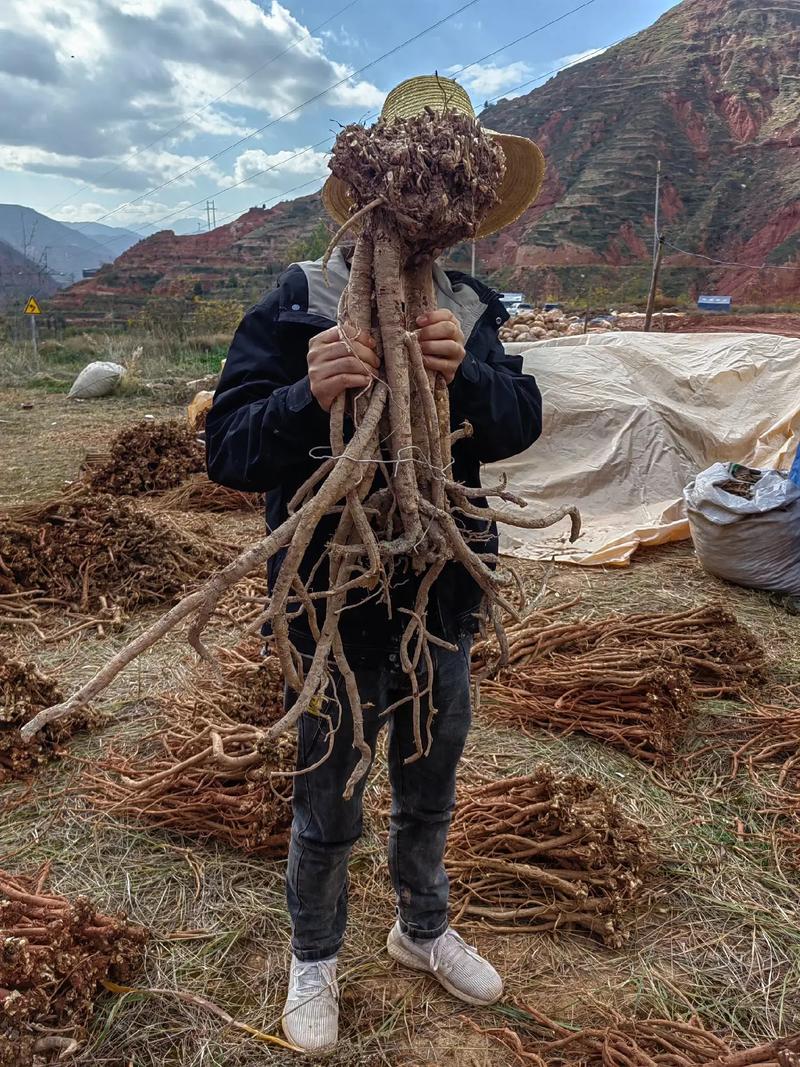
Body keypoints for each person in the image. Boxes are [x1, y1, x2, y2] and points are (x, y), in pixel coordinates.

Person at [206, 74, 546, 1054]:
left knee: (429, 774)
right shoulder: (299, 300)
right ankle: (314, 954)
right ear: (372, 187)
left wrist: (465, 373)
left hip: (440, 589)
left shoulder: (473, 306)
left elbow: (520, 421)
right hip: (328, 598)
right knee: (329, 792)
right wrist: (304, 397)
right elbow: (228, 445)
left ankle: (419, 926)